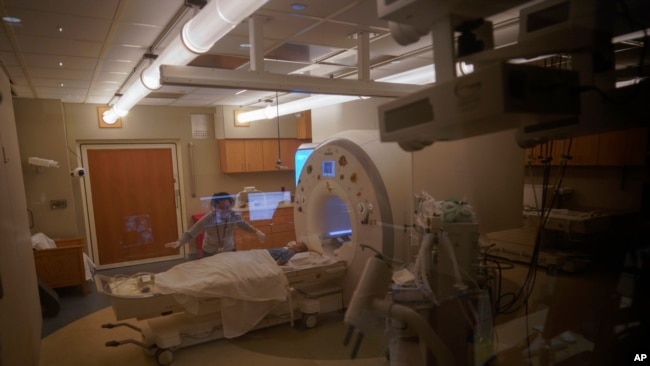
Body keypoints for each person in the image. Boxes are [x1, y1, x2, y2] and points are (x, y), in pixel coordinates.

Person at [165, 192, 265, 257]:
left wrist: (256, 231)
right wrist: (180, 242)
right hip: (210, 251)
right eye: (222, 208)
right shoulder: (208, 218)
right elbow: (191, 233)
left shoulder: (233, 215)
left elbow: (244, 225)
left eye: (227, 207)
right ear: (215, 207)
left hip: (229, 249)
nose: (225, 210)